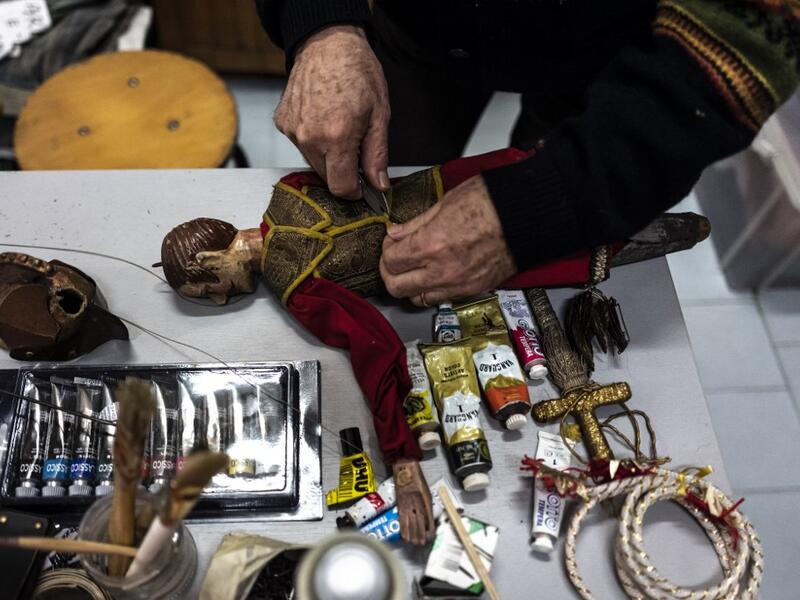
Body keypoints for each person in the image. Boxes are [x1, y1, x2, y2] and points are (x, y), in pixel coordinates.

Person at [254, 0, 799, 306]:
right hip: (418, 27)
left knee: (555, 269)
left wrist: (552, 202)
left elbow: (755, 36)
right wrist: (322, 25)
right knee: (376, 200)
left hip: (607, 59)